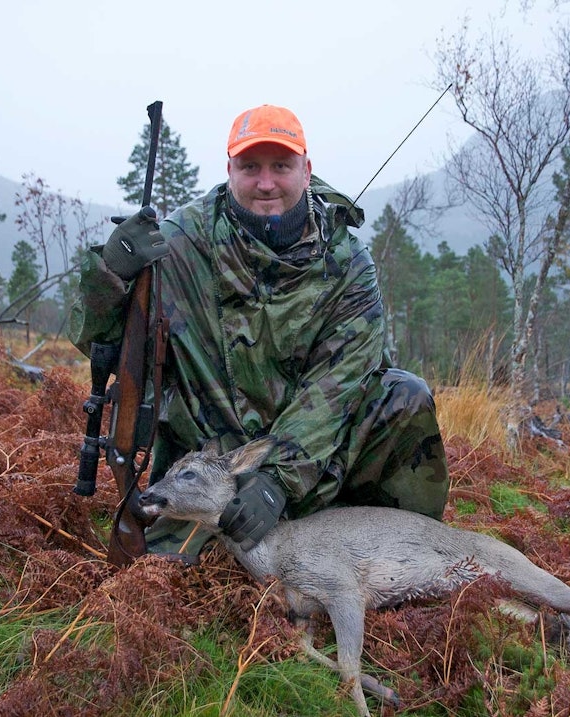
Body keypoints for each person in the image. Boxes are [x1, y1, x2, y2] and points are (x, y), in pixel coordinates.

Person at [70, 104, 449, 559]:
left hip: (320, 457)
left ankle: (406, 552)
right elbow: (97, 344)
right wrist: (109, 275)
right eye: (250, 167)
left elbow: (340, 383)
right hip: (210, 467)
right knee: (176, 585)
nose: (266, 183)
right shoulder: (179, 245)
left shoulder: (348, 264)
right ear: (229, 169)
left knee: (405, 394)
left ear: (306, 171)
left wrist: (277, 478)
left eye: (281, 166)